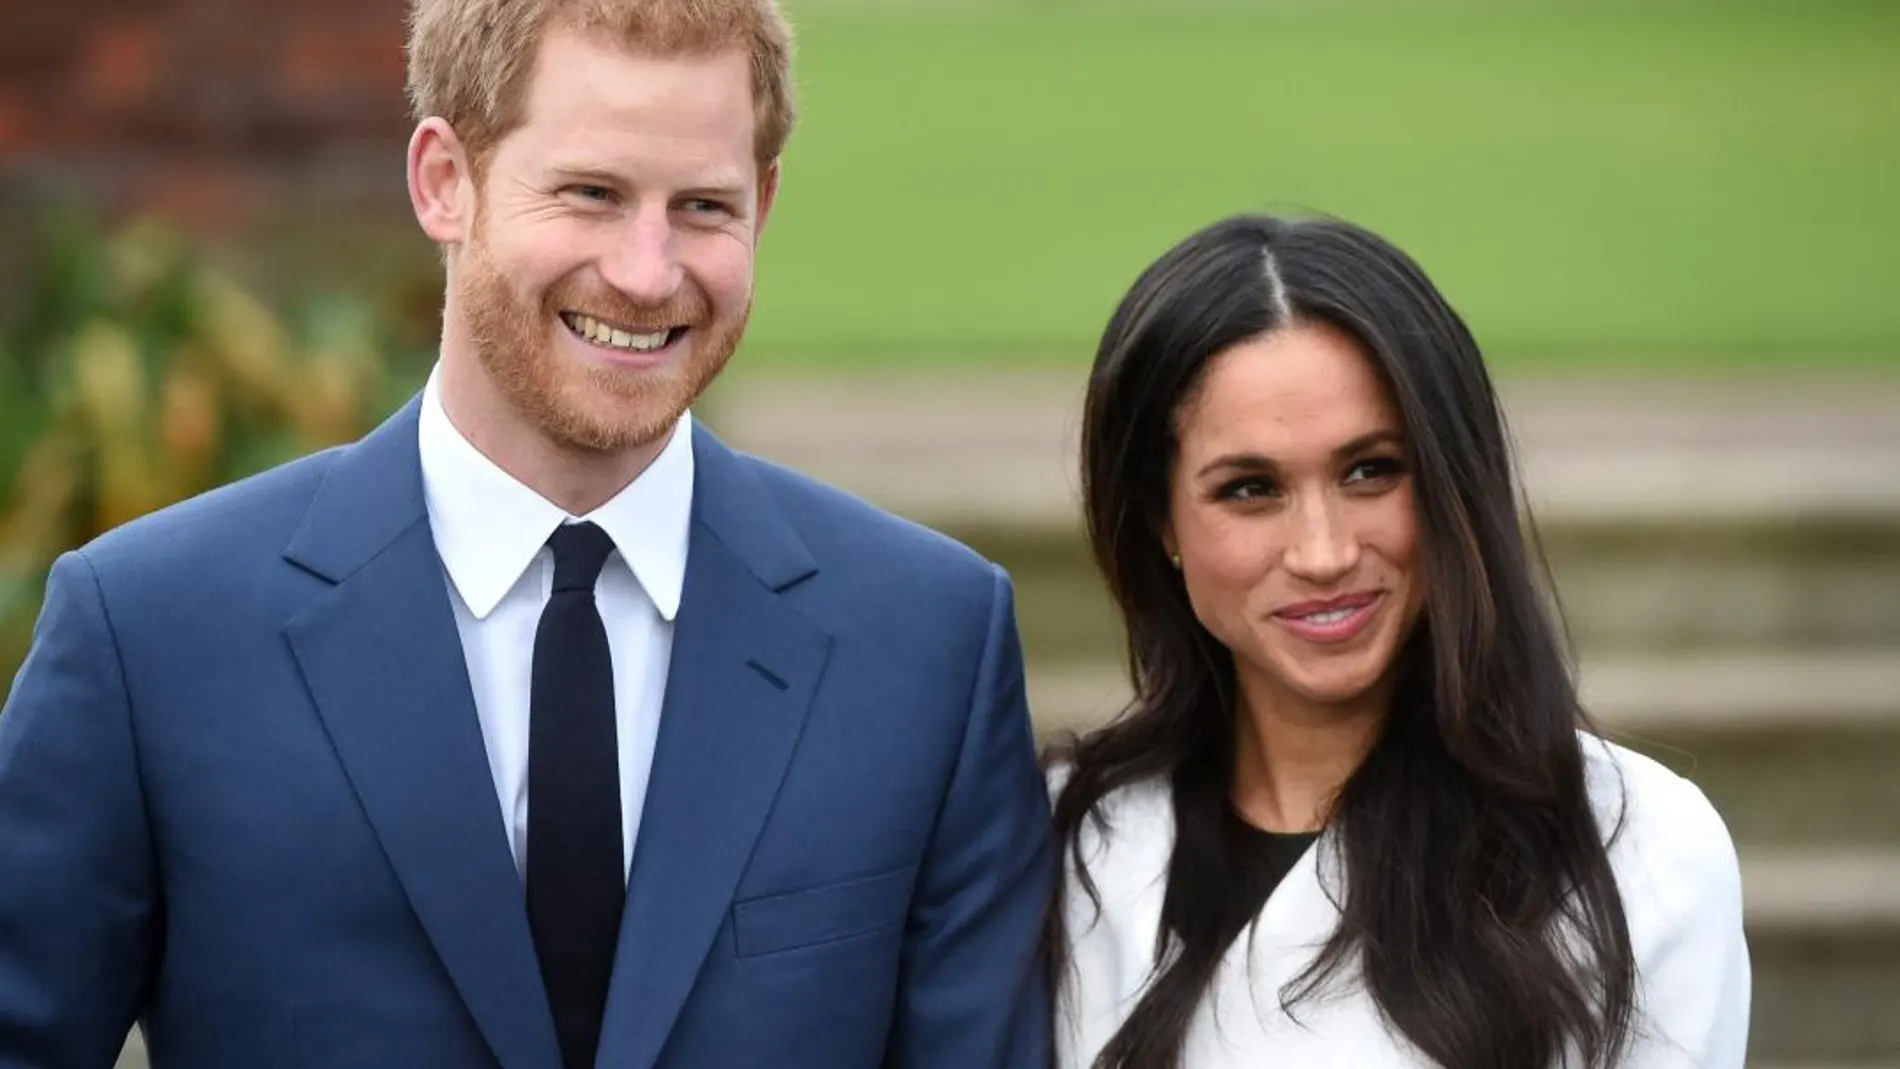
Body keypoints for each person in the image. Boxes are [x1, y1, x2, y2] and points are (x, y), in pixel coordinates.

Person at [0, 1, 1054, 1066]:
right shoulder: (149, 634)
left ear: (764, 204)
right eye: (591, 193)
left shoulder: (927, 646)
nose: (648, 272)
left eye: (702, 206)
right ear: (442, 180)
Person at [1046, 213, 1750, 1069]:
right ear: (1161, 521)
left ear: (1454, 478)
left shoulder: (1642, 849)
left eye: (1371, 469)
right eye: (1249, 488)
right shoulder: (1062, 839)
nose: (1325, 552)